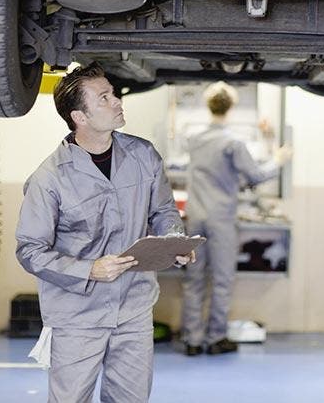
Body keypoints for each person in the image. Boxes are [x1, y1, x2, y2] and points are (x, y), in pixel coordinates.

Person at [15, 63, 193, 403]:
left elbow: (164, 211)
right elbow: (30, 250)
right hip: (77, 315)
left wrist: (174, 241)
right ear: (79, 116)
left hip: (134, 308)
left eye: (113, 93)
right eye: (105, 98)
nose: (117, 102)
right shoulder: (49, 178)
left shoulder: (143, 156)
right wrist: (88, 270)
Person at [181, 82, 292, 356]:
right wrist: (278, 159)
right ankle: (216, 338)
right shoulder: (233, 142)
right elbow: (254, 176)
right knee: (221, 279)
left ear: (209, 105)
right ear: (231, 106)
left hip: (194, 216)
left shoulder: (194, 139)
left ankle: (192, 340)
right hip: (220, 218)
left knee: (194, 278)